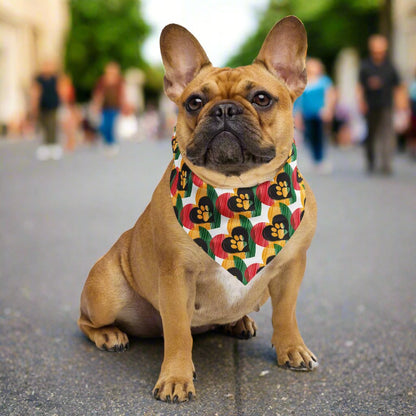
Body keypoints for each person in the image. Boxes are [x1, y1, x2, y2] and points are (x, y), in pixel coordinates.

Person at [357, 35, 401, 174]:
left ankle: (386, 163)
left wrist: (401, 104)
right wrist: (361, 102)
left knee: (387, 134)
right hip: (370, 105)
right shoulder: (365, 66)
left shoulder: (390, 66)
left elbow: (398, 86)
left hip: (386, 104)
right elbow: (360, 87)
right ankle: (371, 160)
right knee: (372, 134)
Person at [294, 58, 336, 173]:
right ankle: (315, 158)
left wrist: (328, 109)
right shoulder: (303, 82)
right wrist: (297, 115)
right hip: (307, 114)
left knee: (320, 136)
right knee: (310, 136)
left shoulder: (324, 81)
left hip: (321, 113)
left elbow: (330, 95)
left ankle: (321, 159)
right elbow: (298, 100)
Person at [31, 60, 62, 161]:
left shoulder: (55, 78)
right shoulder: (39, 79)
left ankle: (53, 146)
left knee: (52, 125)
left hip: (53, 105)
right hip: (42, 106)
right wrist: (34, 104)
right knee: (44, 126)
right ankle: (45, 145)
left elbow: (60, 89)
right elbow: (36, 91)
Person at [92, 62, 125, 155]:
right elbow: (98, 94)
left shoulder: (119, 80)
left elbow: (122, 94)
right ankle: (107, 142)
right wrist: (96, 104)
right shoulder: (102, 80)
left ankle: (112, 143)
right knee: (104, 126)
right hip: (104, 107)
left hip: (115, 107)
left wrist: (124, 105)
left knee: (111, 126)